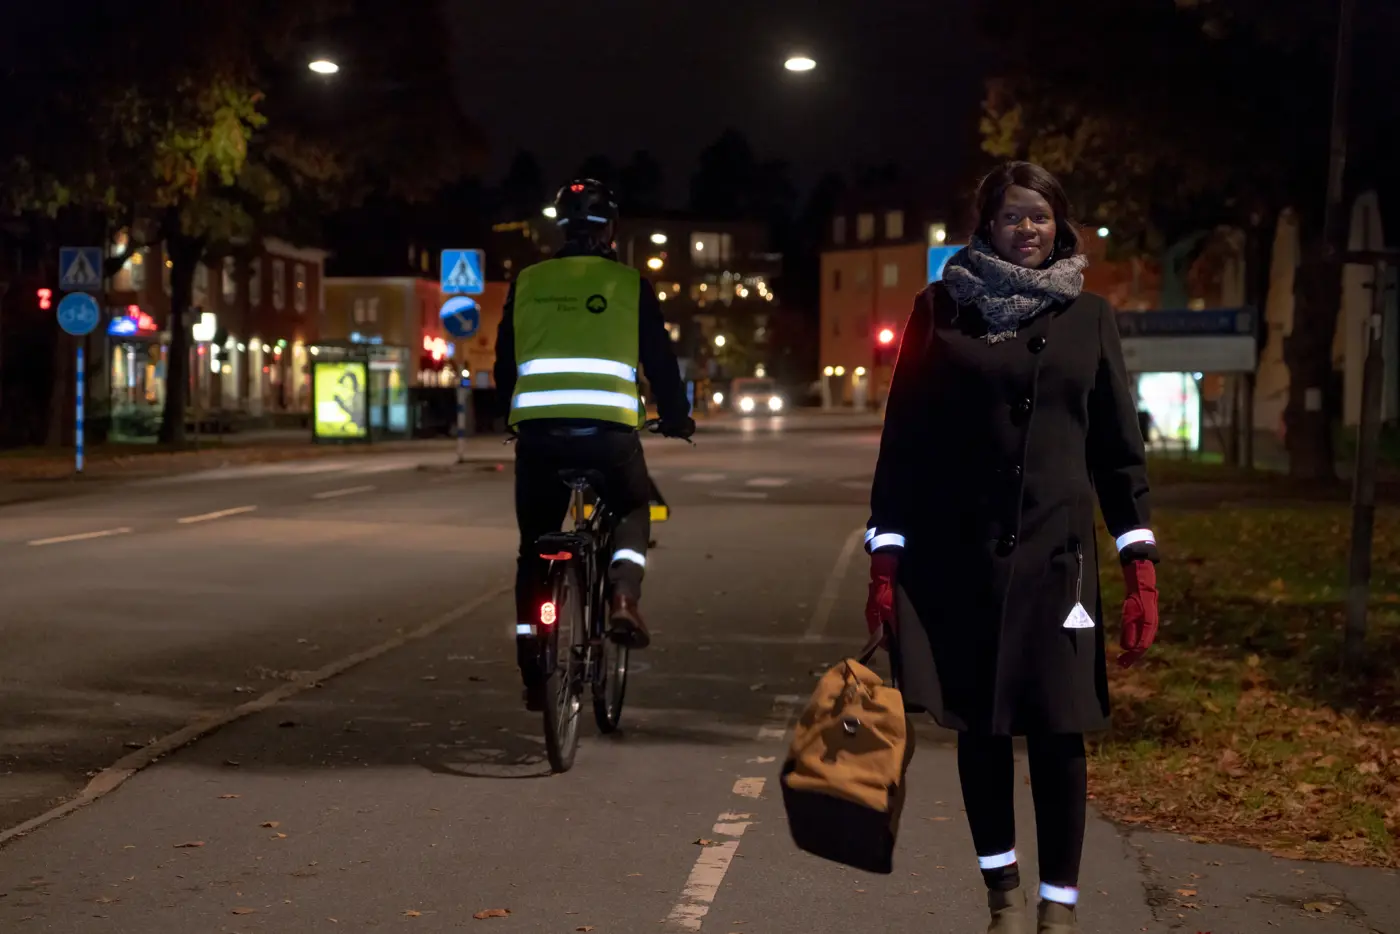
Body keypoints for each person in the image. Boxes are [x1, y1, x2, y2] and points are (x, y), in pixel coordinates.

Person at [863, 161, 1160, 934]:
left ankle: (1057, 908)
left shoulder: (1090, 317)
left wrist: (1139, 563)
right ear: (984, 227)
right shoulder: (941, 311)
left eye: (1038, 217)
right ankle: (1002, 895)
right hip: (960, 557)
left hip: (1059, 563)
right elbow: (906, 444)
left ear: (1059, 226)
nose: (1025, 230)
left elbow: (1117, 453)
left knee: (1060, 730)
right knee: (982, 729)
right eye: (1009, 218)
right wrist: (886, 555)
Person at [494, 178, 695, 710]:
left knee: (533, 547)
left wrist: (507, 414)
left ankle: (533, 666)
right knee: (632, 506)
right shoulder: (629, 285)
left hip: (539, 435)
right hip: (607, 436)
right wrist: (677, 417)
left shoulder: (530, 282)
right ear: (611, 229)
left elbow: (504, 359)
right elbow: (660, 362)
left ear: (559, 228)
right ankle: (624, 596)